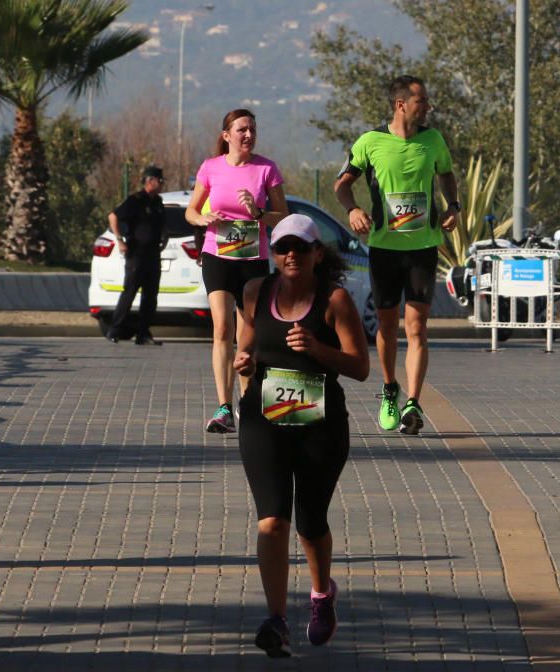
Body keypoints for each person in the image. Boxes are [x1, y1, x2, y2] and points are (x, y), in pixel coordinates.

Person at [233, 214, 369, 657]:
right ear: (273, 253)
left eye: (299, 247)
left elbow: (360, 367)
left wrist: (317, 349)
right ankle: (276, 619)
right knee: (273, 520)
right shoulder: (256, 292)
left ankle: (320, 595)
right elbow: (247, 346)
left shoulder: (334, 300)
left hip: (320, 424)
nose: (290, 255)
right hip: (265, 418)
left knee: (310, 524)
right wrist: (244, 364)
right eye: (281, 247)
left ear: (316, 253)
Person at [333, 75, 459, 436]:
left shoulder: (433, 140)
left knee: (417, 327)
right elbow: (341, 184)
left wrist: (454, 205)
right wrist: (352, 210)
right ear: (401, 104)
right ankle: (390, 388)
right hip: (385, 249)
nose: (428, 107)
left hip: (422, 247)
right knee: (387, 327)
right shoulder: (370, 141)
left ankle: (414, 402)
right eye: (422, 101)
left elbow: (447, 175)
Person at [185, 108, 289, 434]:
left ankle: (247, 402)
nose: (248, 135)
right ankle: (223, 407)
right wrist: (202, 219)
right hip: (218, 255)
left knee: (248, 337)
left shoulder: (266, 169)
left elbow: (282, 216)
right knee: (221, 329)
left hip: (251, 260)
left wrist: (258, 212)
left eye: (252, 129)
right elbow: (190, 210)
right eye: (242, 129)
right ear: (226, 135)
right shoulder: (210, 168)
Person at [106, 165, 168, 345]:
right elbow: (113, 216)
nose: (162, 184)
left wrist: (164, 238)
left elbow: (162, 224)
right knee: (130, 292)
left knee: (150, 295)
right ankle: (114, 329)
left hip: (153, 255)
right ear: (150, 181)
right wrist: (119, 239)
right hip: (136, 254)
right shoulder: (136, 200)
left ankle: (143, 333)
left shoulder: (157, 202)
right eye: (160, 181)